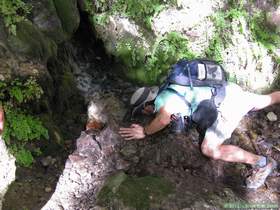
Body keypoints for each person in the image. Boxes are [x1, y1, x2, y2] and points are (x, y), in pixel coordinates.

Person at [119, 83, 280, 189]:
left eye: (142, 110)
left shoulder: (162, 102)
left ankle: (262, 162)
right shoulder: (168, 86)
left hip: (227, 106)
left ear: (148, 104)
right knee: (266, 99)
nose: (145, 113)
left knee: (209, 149)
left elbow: (163, 118)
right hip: (227, 89)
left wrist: (144, 131)